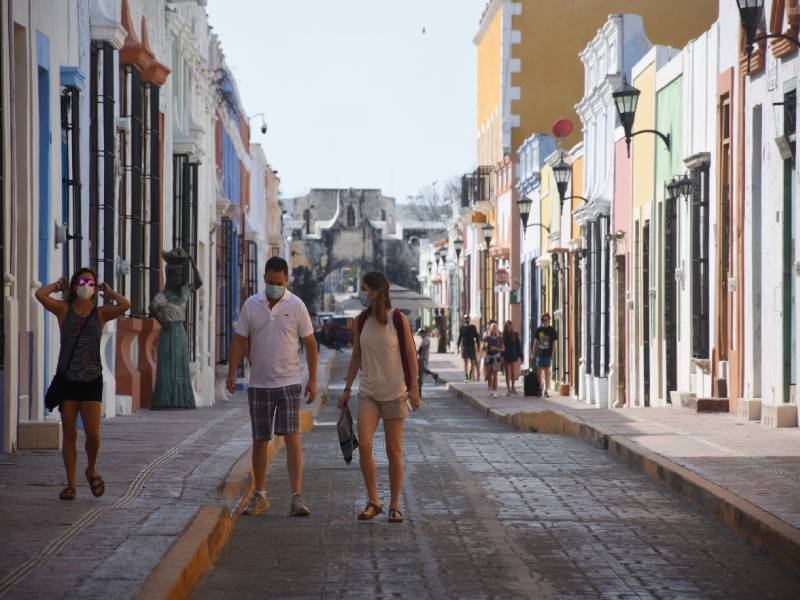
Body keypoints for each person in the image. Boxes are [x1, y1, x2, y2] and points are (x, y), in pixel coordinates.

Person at [226, 256, 318, 517]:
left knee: (292, 438)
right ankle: (260, 494)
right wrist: (232, 373)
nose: (274, 287)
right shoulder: (251, 305)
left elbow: (310, 344)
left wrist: (312, 380)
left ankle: (296, 496)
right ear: (264, 279)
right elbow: (239, 341)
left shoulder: (297, 306)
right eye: (270, 282)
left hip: (289, 382)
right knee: (260, 440)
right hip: (259, 384)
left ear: (286, 280)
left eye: (279, 282)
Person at [35, 268, 131, 500]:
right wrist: (59, 286)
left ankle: (91, 468)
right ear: (75, 285)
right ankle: (71, 484)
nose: (85, 285)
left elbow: (125, 305)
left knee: (93, 434)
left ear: (95, 286)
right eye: (81, 281)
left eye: (90, 281)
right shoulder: (63, 310)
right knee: (69, 433)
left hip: (91, 380)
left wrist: (110, 293)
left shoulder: (100, 313)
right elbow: (40, 295)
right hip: (68, 380)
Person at [338, 271, 420, 523]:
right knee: (364, 445)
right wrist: (347, 387)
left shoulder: (398, 319)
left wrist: (414, 388)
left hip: (395, 393)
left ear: (378, 291)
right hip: (368, 394)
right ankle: (374, 500)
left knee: (393, 450)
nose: (364, 295)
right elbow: (356, 357)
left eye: (366, 290)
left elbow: (410, 354)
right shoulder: (361, 320)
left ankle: (395, 505)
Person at [149, 249, 202, 409]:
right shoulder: (162, 296)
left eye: (180, 275)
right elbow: (152, 308)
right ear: (169, 276)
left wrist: (191, 262)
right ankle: (164, 400)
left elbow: (198, 282)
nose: (178, 278)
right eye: (175, 275)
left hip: (180, 331)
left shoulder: (184, 292)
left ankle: (180, 399)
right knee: (166, 365)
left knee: (180, 365)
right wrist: (161, 322)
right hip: (168, 332)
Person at [532, 313, 558, 398]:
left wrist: (552, 354)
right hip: (540, 354)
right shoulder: (539, 330)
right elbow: (536, 342)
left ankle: (546, 390)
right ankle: (540, 387)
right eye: (543, 320)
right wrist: (533, 353)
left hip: (548, 354)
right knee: (539, 372)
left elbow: (554, 343)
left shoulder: (552, 330)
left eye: (547, 320)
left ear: (549, 320)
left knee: (547, 371)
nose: (545, 321)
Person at [482, 321, 504, 398]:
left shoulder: (499, 338)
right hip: (488, 356)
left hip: (496, 356)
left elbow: (503, 349)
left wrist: (495, 348)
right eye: (492, 328)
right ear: (490, 329)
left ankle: (495, 390)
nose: (493, 329)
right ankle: (489, 388)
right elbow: (483, 348)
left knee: (495, 374)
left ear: (497, 329)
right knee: (489, 374)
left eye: (495, 328)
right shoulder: (486, 338)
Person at [502, 320, 524, 396]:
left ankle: (513, 387)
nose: (508, 328)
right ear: (505, 327)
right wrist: (501, 356)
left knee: (513, 372)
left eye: (510, 326)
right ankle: (508, 389)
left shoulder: (515, 335)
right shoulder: (503, 335)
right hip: (505, 356)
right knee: (507, 373)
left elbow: (518, 346)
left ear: (512, 327)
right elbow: (501, 346)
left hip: (513, 355)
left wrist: (521, 356)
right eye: (507, 326)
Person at [456, 315, 480, 382]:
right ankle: (467, 377)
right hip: (464, 347)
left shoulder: (473, 327)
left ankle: (471, 376)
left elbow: (477, 337)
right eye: (465, 318)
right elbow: (460, 337)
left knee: (472, 362)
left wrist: (478, 346)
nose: (466, 319)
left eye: (468, 318)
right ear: (464, 319)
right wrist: (458, 347)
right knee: (465, 363)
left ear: (469, 319)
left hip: (471, 347)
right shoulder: (462, 328)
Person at [416, 328, 439, 395]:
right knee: (424, 370)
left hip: (424, 358)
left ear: (423, 333)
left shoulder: (426, 339)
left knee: (422, 372)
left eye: (420, 334)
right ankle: (435, 375)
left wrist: (417, 353)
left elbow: (421, 348)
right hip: (422, 358)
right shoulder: (424, 339)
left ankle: (419, 389)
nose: (420, 335)